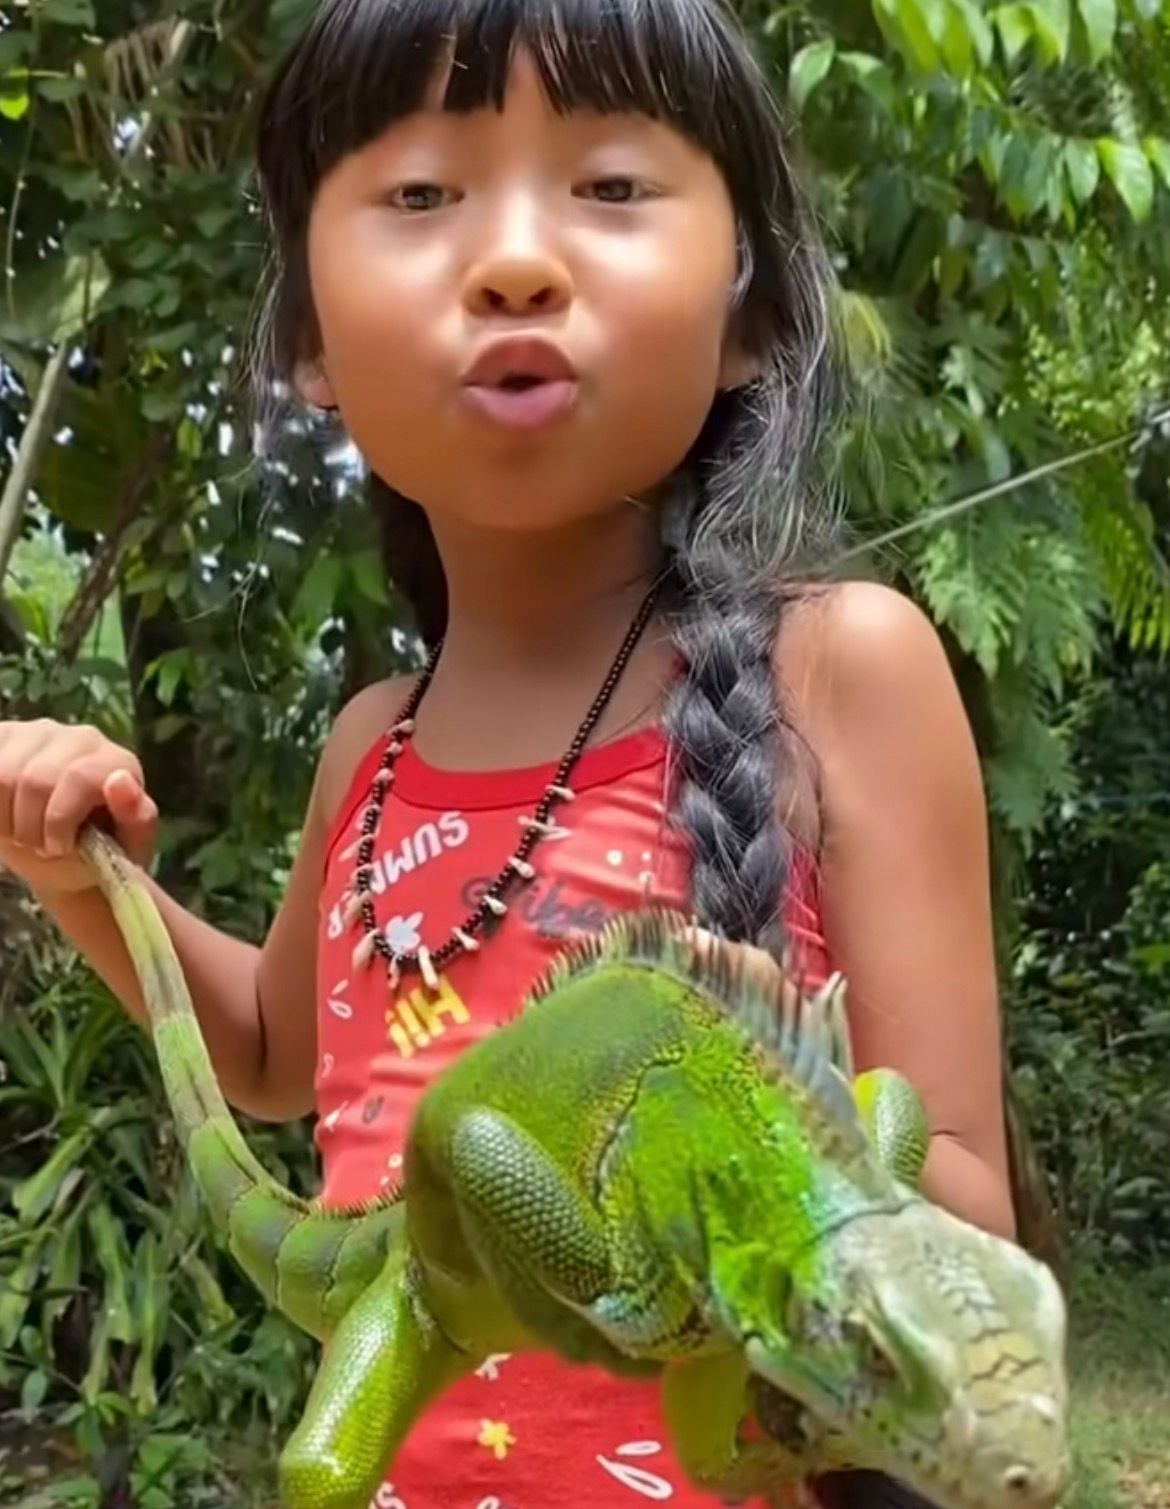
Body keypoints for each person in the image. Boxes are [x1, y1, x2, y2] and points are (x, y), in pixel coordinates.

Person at [0, 0, 1015, 1503]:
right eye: (420, 193)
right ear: (311, 349)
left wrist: (737, 1129)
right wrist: (89, 882)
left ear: (745, 320)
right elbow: (283, 1062)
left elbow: (969, 1212)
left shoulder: (842, 665)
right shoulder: (370, 746)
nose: (517, 257)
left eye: (609, 185)